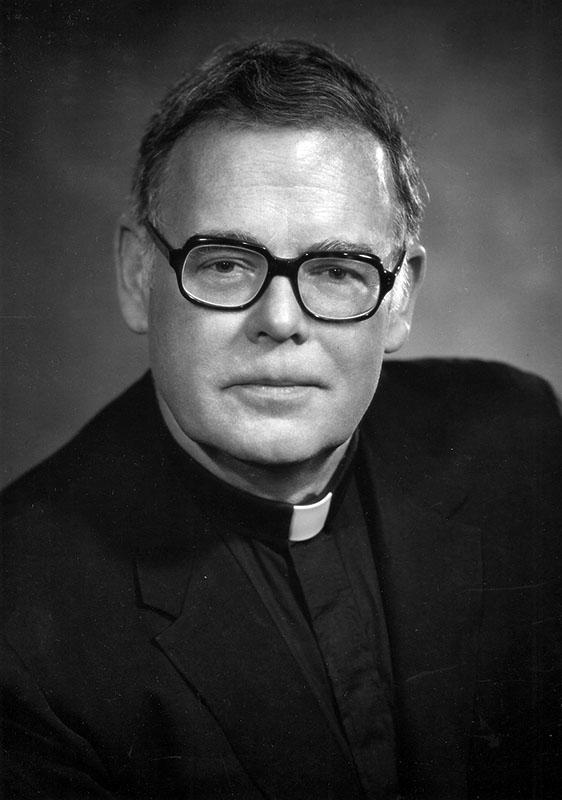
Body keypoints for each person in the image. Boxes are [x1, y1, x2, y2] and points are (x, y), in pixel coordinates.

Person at [1, 40, 560, 800]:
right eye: (225, 262)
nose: (279, 320)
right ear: (139, 276)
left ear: (400, 299)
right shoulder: (20, 618)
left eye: (336, 270)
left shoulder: (518, 440)